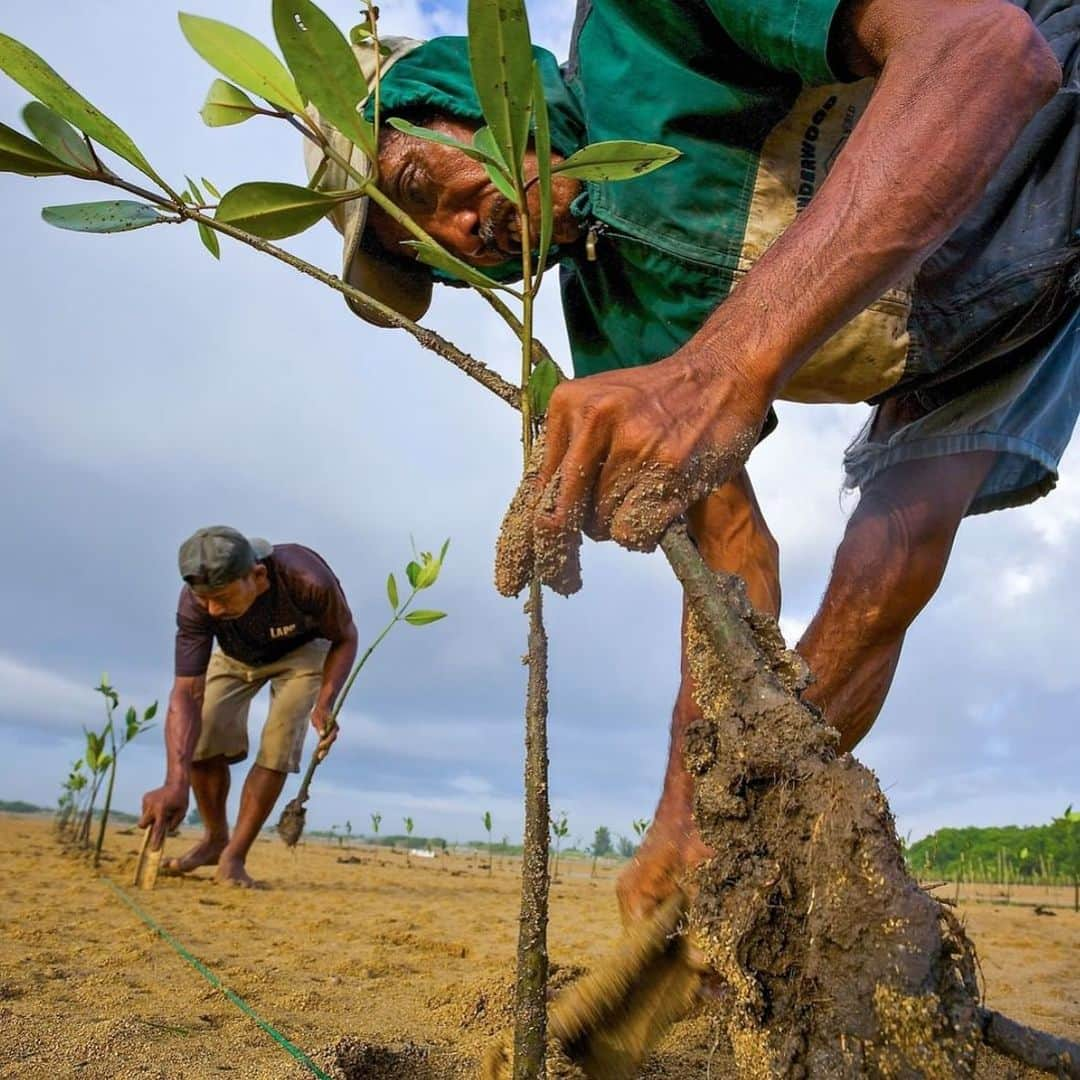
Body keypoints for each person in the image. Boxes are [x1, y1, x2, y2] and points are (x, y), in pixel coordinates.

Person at [306, 0, 1078, 919]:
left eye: (422, 183)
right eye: (425, 250)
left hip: (1051, 104)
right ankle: (727, 875)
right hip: (993, 334)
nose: (456, 236)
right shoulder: (610, 321)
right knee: (883, 573)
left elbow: (988, 54)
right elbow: (730, 563)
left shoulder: (649, 22)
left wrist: (720, 368)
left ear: (467, 90)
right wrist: (687, 813)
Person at [139, 526, 358, 886]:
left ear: (257, 577)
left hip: (303, 653)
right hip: (236, 654)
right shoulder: (196, 604)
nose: (211, 608)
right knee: (201, 735)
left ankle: (234, 856)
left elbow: (346, 637)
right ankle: (214, 838)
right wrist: (174, 782)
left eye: (222, 598)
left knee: (278, 741)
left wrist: (325, 702)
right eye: (205, 599)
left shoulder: (307, 578)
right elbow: (186, 693)